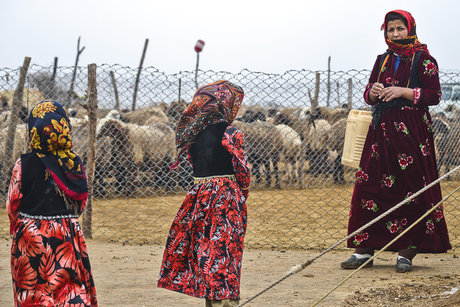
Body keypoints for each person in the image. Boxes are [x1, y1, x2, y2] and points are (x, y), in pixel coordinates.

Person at [341, 10, 451, 273]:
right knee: (370, 185)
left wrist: (404, 91)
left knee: (411, 187)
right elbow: (368, 92)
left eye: (400, 28)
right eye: (390, 30)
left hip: (412, 134)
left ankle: (406, 252)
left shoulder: (423, 59)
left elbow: (434, 95)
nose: (395, 34)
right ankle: (364, 249)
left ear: (410, 29)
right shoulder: (382, 60)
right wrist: (374, 92)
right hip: (380, 133)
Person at [157, 80, 250, 307]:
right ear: (224, 103)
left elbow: (193, 164)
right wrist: (242, 192)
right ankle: (226, 300)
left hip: (199, 197)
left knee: (205, 249)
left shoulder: (192, 136)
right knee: (225, 249)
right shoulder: (230, 133)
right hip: (226, 198)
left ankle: (211, 299)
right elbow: (242, 169)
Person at [6, 100, 98, 306]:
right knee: (68, 285)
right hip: (65, 234)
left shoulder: (23, 163)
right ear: (65, 127)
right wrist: (64, 219)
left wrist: (20, 224)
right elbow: (80, 201)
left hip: (30, 237)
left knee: (33, 289)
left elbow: (13, 202)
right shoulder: (73, 163)